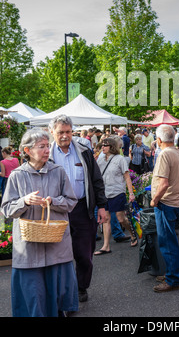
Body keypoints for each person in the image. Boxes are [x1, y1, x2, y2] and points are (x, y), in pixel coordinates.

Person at [1, 128, 78, 317]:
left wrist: (54, 201)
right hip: (29, 247)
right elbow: (6, 209)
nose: (46, 150)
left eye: (47, 146)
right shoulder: (17, 175)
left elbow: (71, 201)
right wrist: (24, 201)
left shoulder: (58, 172)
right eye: (41, 147)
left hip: (56, 244)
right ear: (27, 151)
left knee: (58, 296)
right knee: (33, 296)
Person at [49, 114, 107, 303]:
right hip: (56, 210)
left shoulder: (83, 151)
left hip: (82, 208)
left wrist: (102, 206)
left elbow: (96, 180)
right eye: (61, 132)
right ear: (52, 133)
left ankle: (81, 287)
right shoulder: (45, 154)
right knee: (57, 253)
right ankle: (61, 289)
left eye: (68, 131)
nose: (65, 135)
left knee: (84, 253)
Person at [150, 124, 179, 292]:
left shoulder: (164, 155)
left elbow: (163, 183)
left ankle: (172, 279)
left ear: (159, 140)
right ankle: (172, 274)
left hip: (166, 203)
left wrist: (155, 200)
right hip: (176, 201)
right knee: (171, 241)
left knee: (167, 242)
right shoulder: (178, 153)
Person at [95, 137, 137, 254]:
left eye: (105, 145)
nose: (102, 147)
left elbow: (127, 176)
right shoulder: (101, 159)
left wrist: (131, 193)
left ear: (112, 147)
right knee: (106, 219)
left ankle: (132, 233)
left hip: (117, 192)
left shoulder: (120, 159)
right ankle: (106, 246)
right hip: (104, 193)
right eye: (102, 145)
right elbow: (96, 173)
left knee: (121, 218)